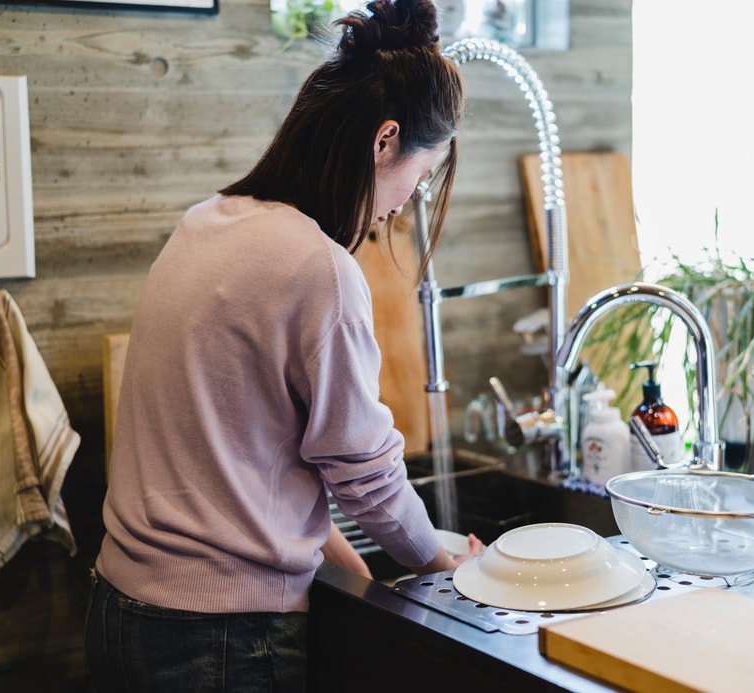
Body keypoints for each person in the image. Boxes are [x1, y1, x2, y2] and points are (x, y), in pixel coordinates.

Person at [84, 0, 482, 690]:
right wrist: (444, 567)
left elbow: (253, 458)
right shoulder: (318, 268)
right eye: (416, 182)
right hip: (220, 635)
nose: (399, 210)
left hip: (119, 608)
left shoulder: (206, 223)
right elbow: (364, 471)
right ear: (384, 140)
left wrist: (362, 576)